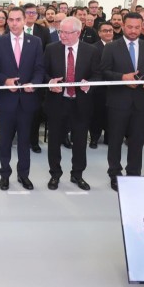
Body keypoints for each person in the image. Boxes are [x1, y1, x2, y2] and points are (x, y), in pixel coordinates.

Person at [100, 12, 144, 191]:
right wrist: (122, 78)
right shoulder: (111, 47)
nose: (133, 31)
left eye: (137, 27)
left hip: (142, 102)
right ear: (123, 26)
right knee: (115, 140)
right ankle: (115, 174)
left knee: (137, 141)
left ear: (143, 27)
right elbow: (104, 72)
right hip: (118, 102)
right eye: (130, 27)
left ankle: (134, 173)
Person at [42, 16, 101, 191]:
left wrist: (89, 84)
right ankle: (55, 174)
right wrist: (50, 82)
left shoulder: (91, 51)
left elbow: (98, 75)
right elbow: (42, 72)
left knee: (80, 141)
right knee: (54, 141)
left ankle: (77, 174)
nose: (63, 36)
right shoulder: (51, 49)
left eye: (67, 33)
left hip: (81, 103)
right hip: (57, 102)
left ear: (78, 33)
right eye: (61, 32)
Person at [0, 7, 45, 190]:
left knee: (24, 141)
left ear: (24, 20)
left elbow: (39, 68)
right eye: (11, 20)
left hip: (27, 101)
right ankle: (4, 174)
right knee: (5, 141)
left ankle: (24, 175)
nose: (14, 23)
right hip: (6, 100)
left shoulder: (35, 42)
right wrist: (5, 80)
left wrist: (34, 83)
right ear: (7, 21)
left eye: (18, 19)